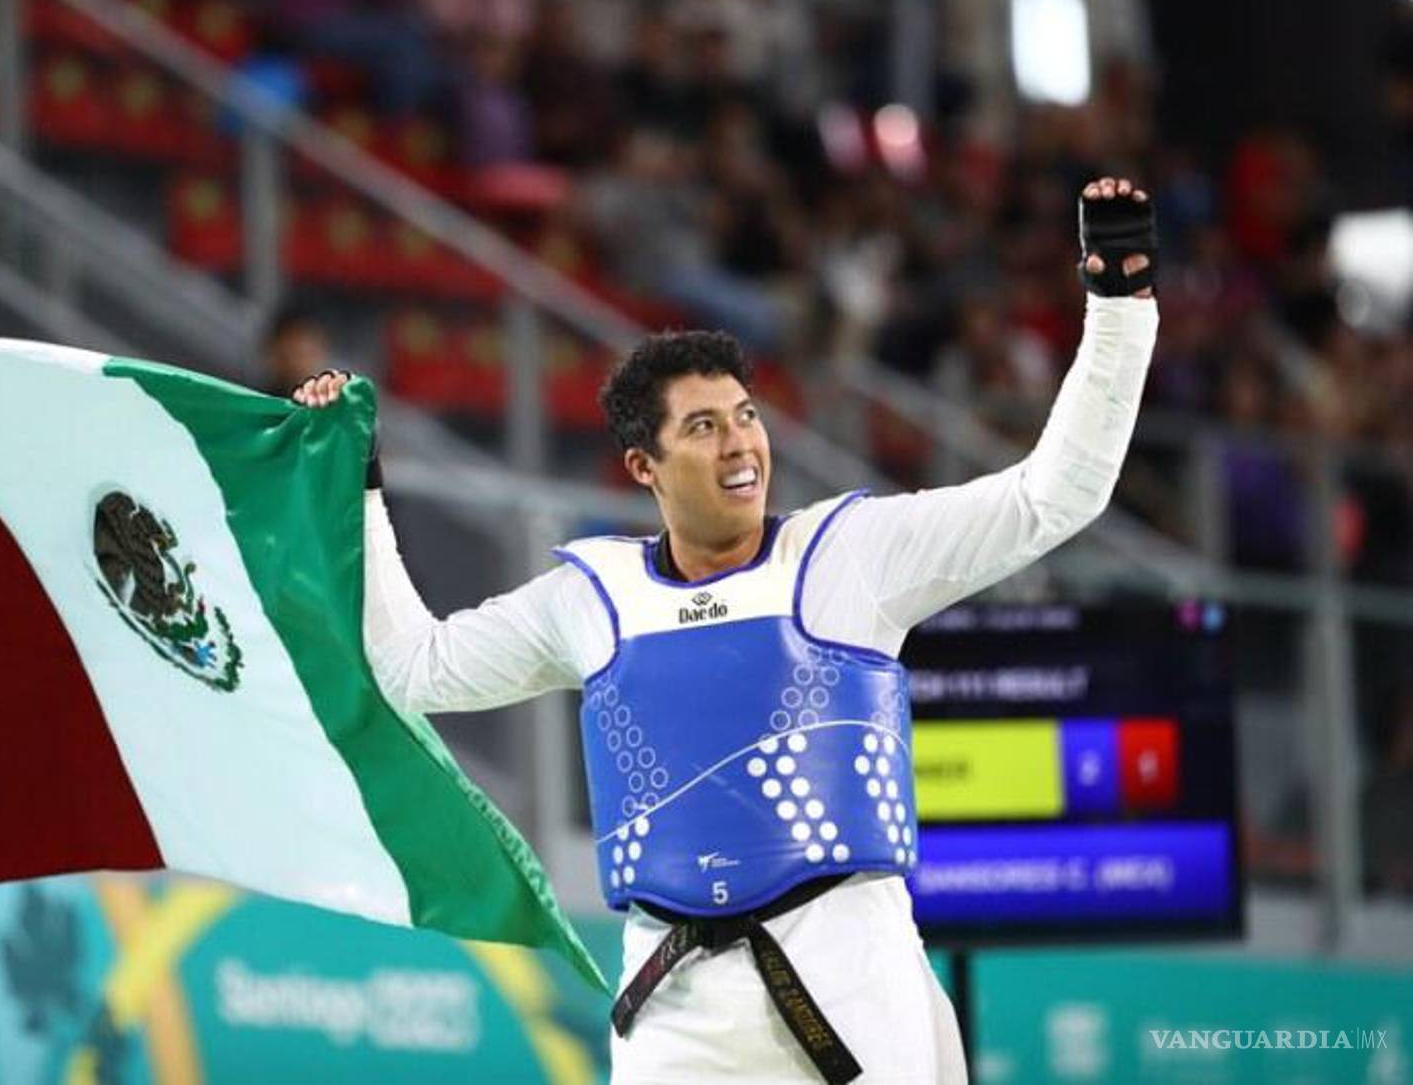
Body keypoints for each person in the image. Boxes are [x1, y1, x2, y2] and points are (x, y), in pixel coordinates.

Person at [293, 177, 1158, 1083]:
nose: (740, 444)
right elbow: (414, 669)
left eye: (746, 417)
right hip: (670, 1007)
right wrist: (355, 488)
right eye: (702, 428)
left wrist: (1117, 299)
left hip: (853, 988)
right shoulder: (591, 595)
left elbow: (1054, 494)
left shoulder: (850, 554)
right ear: (643, 465)